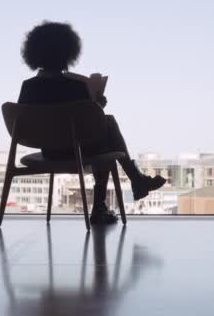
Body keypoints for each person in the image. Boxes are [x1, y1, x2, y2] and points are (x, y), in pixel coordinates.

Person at [17, 21, 165, 225]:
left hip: (50, 152)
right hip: (77, 151)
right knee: (106, 134)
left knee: (106, 129)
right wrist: (98, 105)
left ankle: (135, 182)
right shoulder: (75, 86)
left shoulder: (28, 87)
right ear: (68, 53)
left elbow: (27, 123)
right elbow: (90, 126)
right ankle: (107, 202)